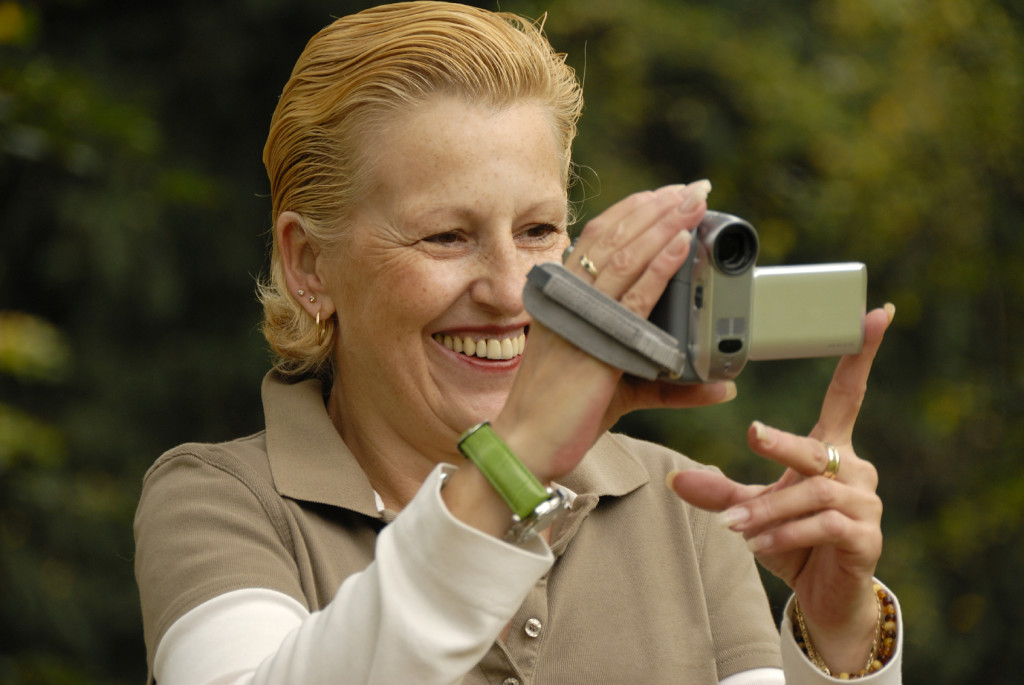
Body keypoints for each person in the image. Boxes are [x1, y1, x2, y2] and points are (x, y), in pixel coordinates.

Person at [134, 2, 903, 683]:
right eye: (445, 235)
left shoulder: (685, 509)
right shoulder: (221, 502)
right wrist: (516, 458)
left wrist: (840, 639)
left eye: (538, 231)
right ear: (309, 264)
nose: (510, 291)